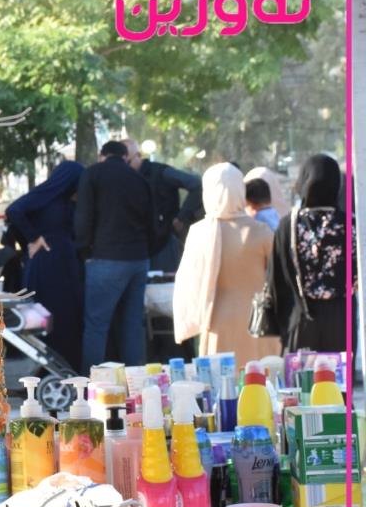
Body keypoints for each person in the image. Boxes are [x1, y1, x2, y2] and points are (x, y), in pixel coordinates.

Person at [173, 164, 280, 365]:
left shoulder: (199, 233)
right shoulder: (261, 230)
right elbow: (279, 276)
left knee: (222, 380)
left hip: (215, 321)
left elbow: (187, 284)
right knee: (260, 379)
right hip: (259, 322)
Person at [74, 140, 154, 371]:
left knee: (96, 326)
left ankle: (92, 382)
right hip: (138, 259)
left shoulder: (93, 174)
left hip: (105, 258)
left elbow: (83, 218)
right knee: (132, 324)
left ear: (102, 155)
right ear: (125, 157)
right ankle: (134, 380)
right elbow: (151, 223)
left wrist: (84, 251)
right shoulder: (139, 179)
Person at [3, 160, 85, 371]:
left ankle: (64, 367)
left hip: (61, 261)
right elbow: (14, 210)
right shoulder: (47, 197)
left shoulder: (62, 200)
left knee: (65, 314)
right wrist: (33, 238)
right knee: (56, 313)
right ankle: (54, 368)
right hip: (51, 262)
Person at [270, 153, 348, 353]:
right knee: (340, 372)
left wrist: (282, 324)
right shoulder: (350, 224)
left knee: (303, 373)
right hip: (342, 319)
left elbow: (277, 278)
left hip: (300, 317)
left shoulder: (288, 225)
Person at [123, 138, 202, 273]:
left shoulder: (160, 172)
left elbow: (196, 184)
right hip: (137, 244)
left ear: (138, 156)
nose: (125, 166)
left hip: (164, 242)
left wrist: (181, 217)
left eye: (128, 162)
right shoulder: (125, 177)